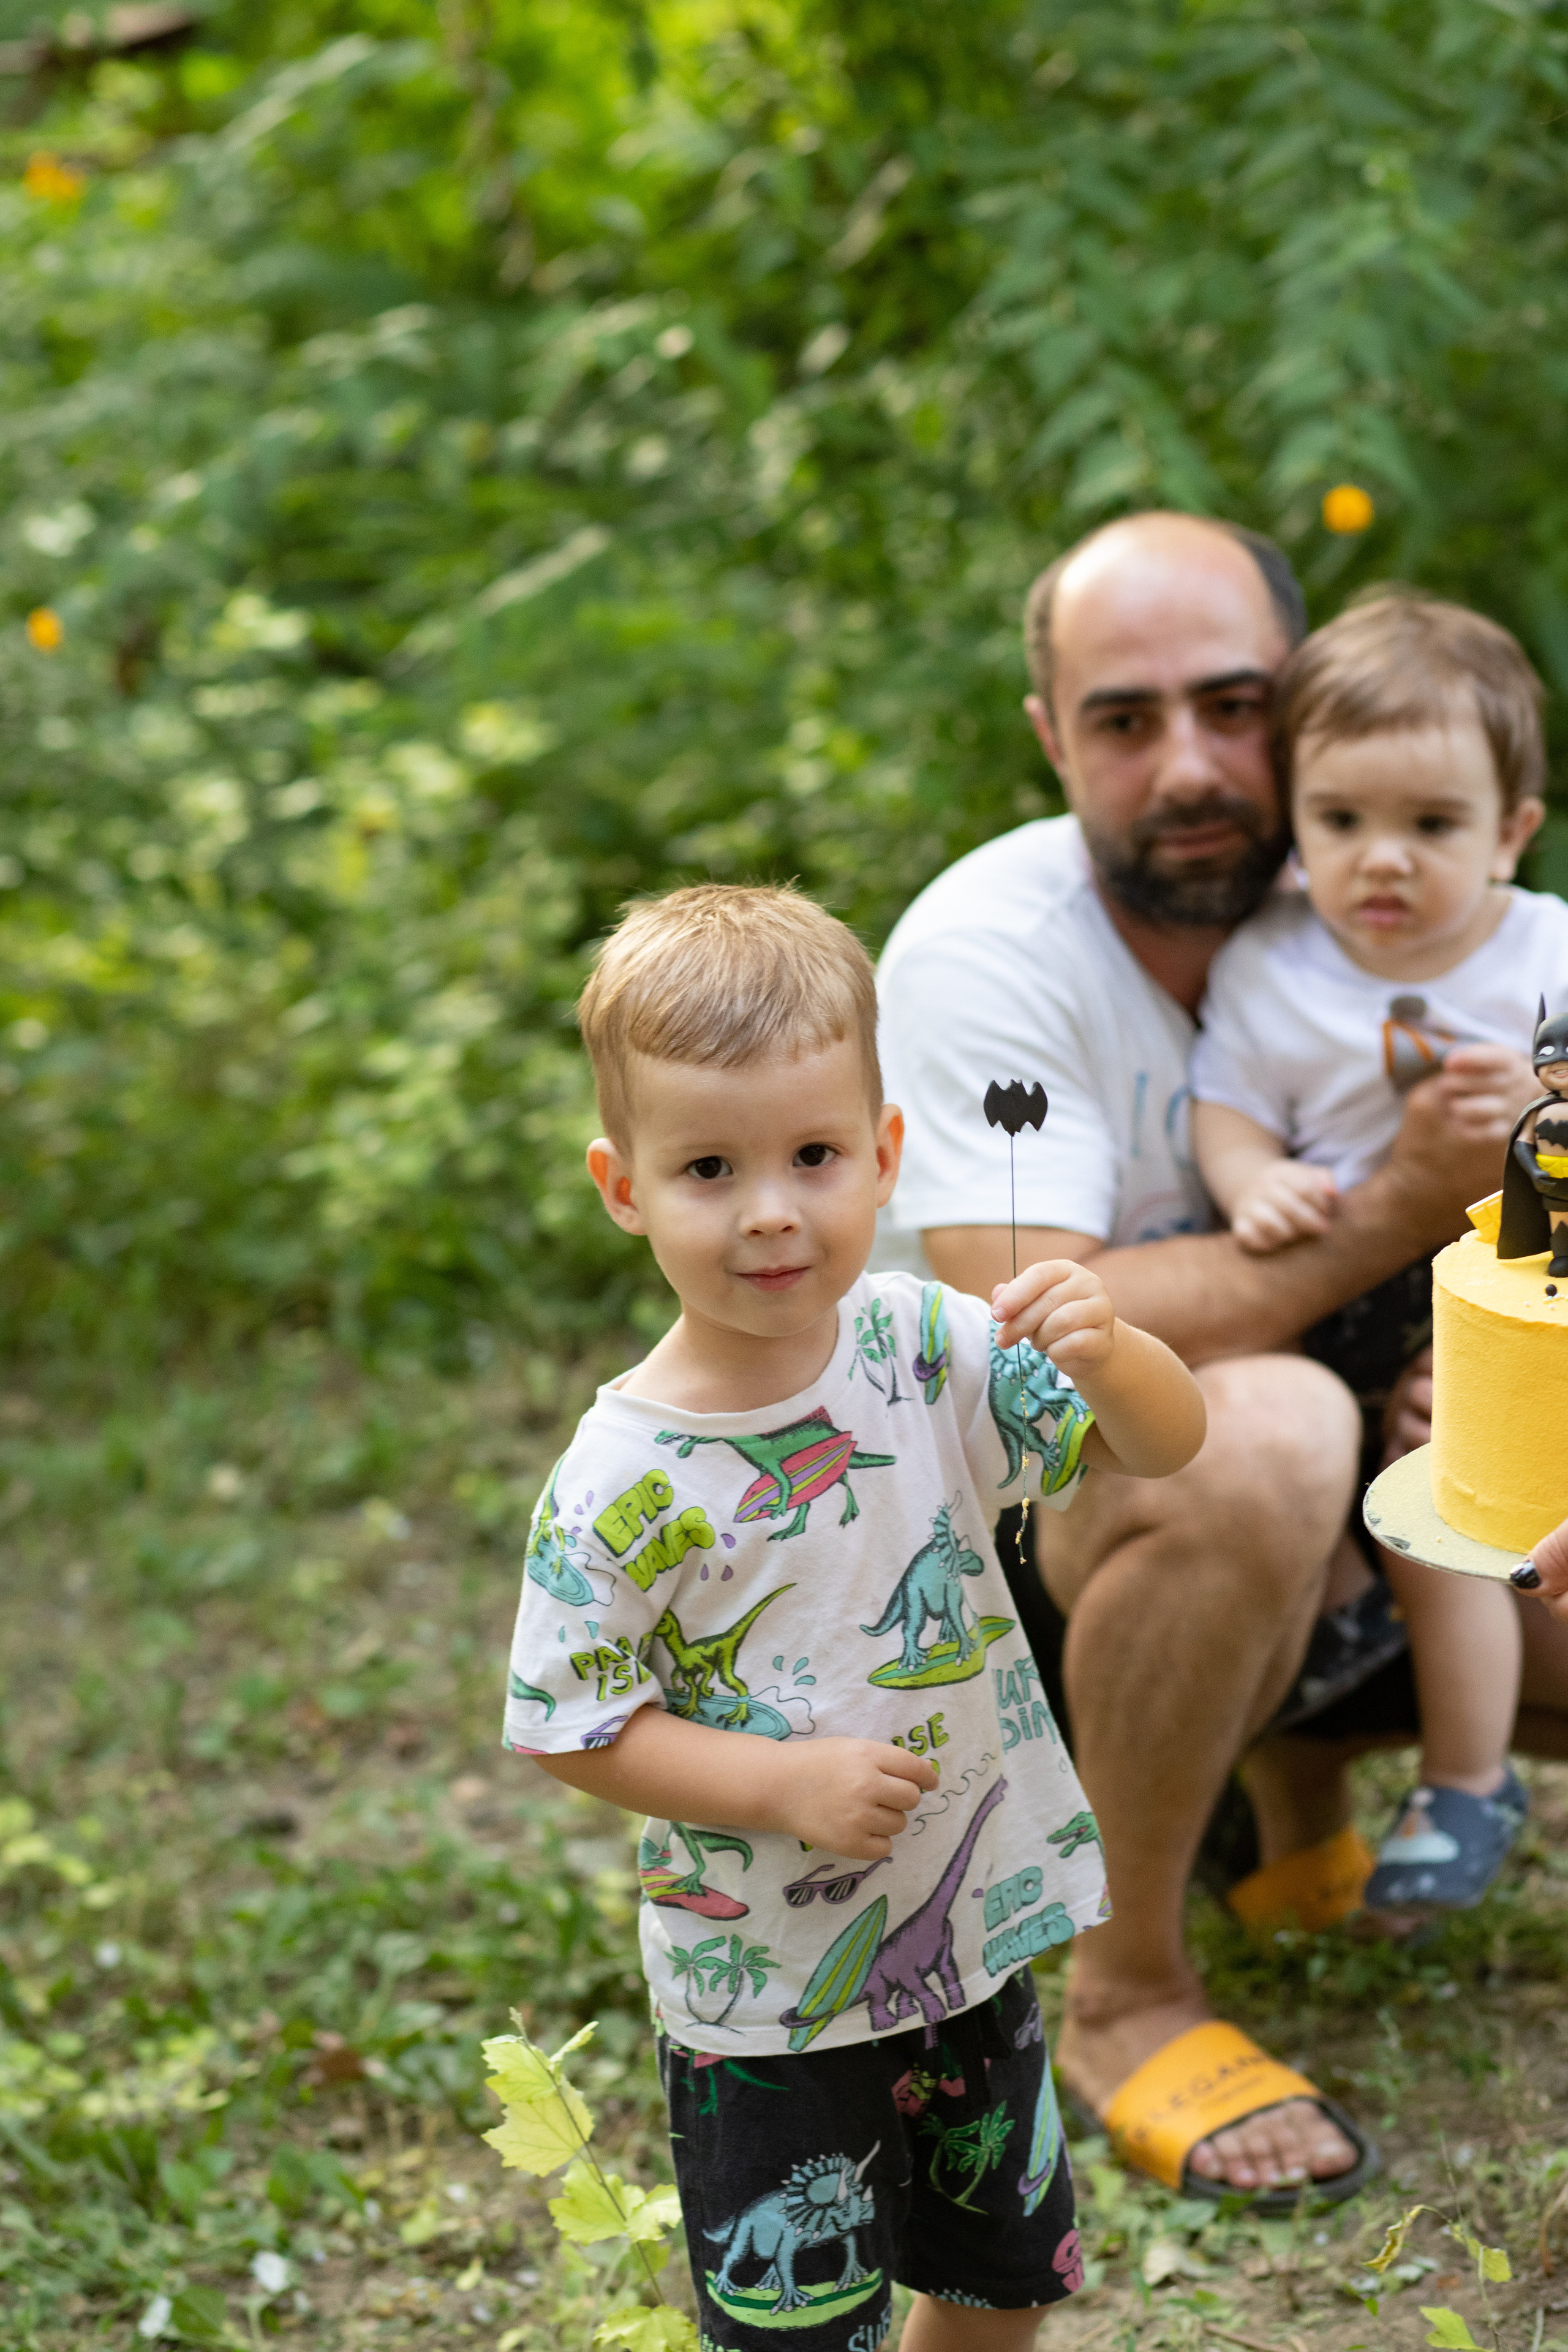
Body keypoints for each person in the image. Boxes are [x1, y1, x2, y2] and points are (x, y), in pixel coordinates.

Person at [875, 511, 1529, 2204]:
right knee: (1263, 1431)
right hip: (983, 1579)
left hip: (1378, 1519)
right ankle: (1125, 1992)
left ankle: (1288, 1787)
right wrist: (1398, 1202)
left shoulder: (1399, 894)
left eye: (1235, 707)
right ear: (1048, 739)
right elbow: (1041, 1333)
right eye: (1124, 718)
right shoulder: (991, 957)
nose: (1191, 764)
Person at [503, 883, 1205, 2352]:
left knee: (997, 2275)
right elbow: (570, 1726)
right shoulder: (623, 1474)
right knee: (798, 2326)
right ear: (621, 1185)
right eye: (707, 1167)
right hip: (762, 1992)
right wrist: (777, 1785)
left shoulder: (922, 1345)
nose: (770, 1209)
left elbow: (1161, 1450)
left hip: (970, 1928)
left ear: (883, 1156)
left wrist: (1117, 1348)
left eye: (813, 1154)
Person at [1191, 592, 1565, 1914]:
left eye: (1430, 826)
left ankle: (1464, 1779)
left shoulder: (1544, 954)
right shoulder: (1270, 962)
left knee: (1435, 1500)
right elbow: (1225, 1105)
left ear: (1510, 832)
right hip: (1325, 1284)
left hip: (1502, 1287)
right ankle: (1274, 1811)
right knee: (1298, 1525)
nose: (1381, 862)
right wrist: (1256, 1182)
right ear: (1292, 818)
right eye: (1340, 822)